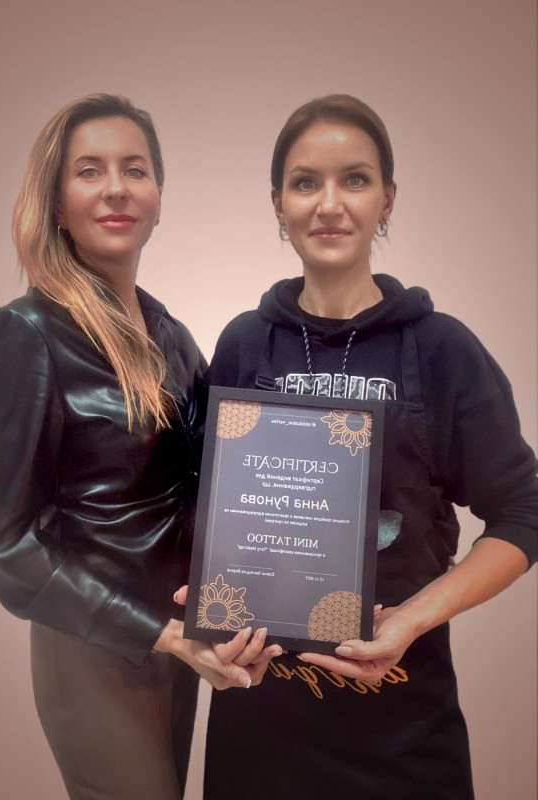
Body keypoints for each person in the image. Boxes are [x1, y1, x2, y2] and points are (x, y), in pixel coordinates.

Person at [203, 94, 537, 800]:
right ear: (278, 203)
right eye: (305, 182)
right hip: (259, 721)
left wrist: (413, 617)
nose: (330, 204)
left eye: (354, 179)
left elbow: (524, 513)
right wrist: (206, 608)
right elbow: (209, 512)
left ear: (387, 199)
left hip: (402, 730)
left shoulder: (443, 348)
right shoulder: (243, 344)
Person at [0, 93, 277, 800]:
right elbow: (3, 547)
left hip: (184, 638)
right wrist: (161, 635)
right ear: (56, 202)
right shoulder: (26, 335)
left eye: (134, 169)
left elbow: (223, 483)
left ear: (158, 198)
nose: (115, 187)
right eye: (90, 170)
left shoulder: (172, 337)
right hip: (96, 649)